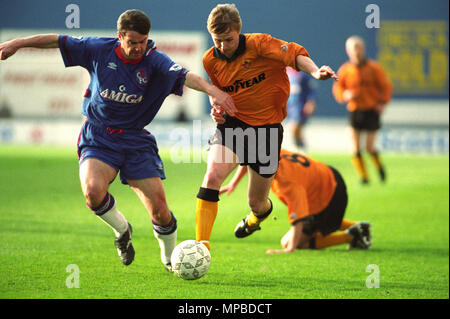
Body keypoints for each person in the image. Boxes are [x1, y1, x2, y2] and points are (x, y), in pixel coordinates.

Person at [0, 9, 236, 271]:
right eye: (132, 42)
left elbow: (186, 76)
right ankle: (122, 231)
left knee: (159, 210)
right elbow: (58, 40)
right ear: (120, 36)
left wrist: (214, 92)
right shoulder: (98, 49)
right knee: (92, 193)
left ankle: (170, 259)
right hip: (98, 135)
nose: (138, 48)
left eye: (143, 41)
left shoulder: (155, 60)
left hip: (135, 140)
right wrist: (16, 43)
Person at [195, 3, 337, 251]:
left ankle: (254, 219)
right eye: (217, 40)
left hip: (266, 131)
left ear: (239, 31)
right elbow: (216, 91)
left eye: (228, 39)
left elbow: (294, 54)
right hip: (233, 125)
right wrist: (216, 107)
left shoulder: (260, 44)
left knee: (257, 203)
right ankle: (201, 246)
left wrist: (315, 72)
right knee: (213, 176)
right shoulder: (210, 59)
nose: (222, 46)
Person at [219, 148, 372, 253]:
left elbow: (299, 217)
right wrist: (234, 182)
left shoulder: (287, 183)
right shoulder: (272, 152)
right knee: (321, 221)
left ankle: (352, 235)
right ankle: (356, 227)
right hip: (326, 178)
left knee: (294, 241)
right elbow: (253, 161)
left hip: (330, 193)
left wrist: (289, 249)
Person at [332, 35, 392, 185]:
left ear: (363, 49)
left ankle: (379, 167)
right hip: (355, 110)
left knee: (370, 148)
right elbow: (338, 88)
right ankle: (364, 177)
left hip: (371, 110)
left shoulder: (373, 68)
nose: (356, 52)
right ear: (348, 51)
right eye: (353, 49)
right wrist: (345, 95)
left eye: (358, 48)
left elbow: (386, 86)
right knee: (355, 148)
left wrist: (382, 103)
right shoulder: (346, 70)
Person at [286, 67, 317, 150]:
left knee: (294, 127)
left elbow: (312, 90)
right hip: (290, 106)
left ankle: (299, 148)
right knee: (295, 130)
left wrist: (310, 102)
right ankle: (300, 147)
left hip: (300, 105)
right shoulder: (286, 72)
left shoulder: (303, 73)